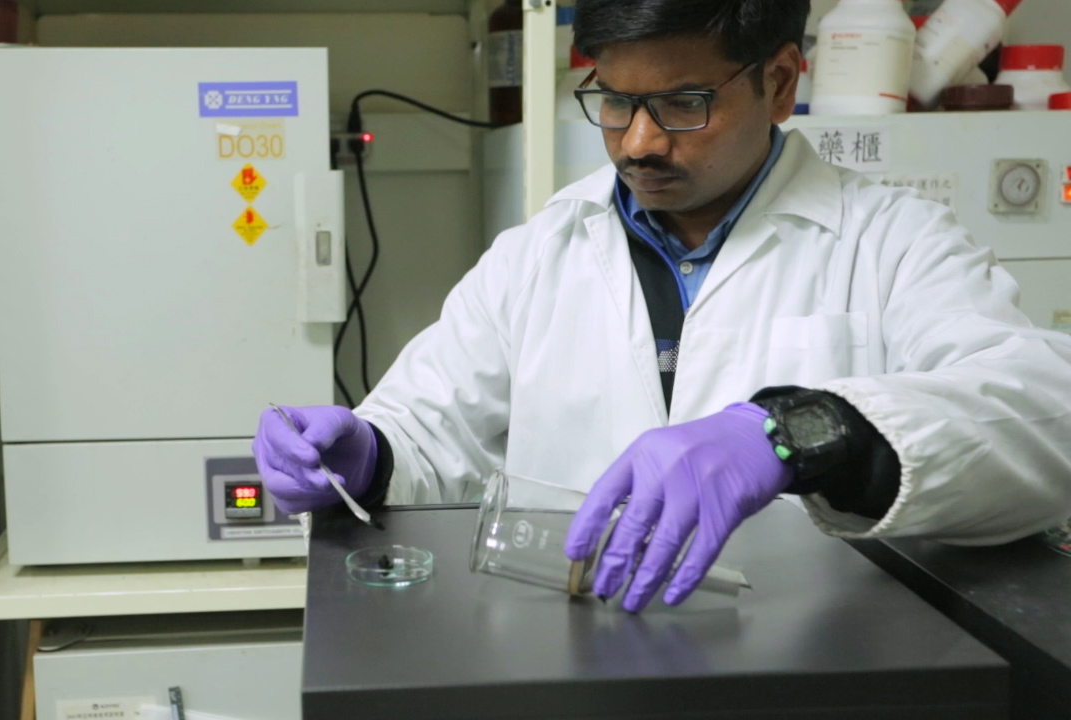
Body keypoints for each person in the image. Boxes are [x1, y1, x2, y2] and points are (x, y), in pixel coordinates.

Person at [254, 0, 1071, 612]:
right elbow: (432, 427)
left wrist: (801, 432)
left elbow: (1044, 412)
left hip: (808, 670)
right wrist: (365, 451)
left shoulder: (889, 239)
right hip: (572, 664)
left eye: (684, 103)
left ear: (780, 82)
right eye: (614, 100)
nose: (638, 143)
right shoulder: (540, 252)